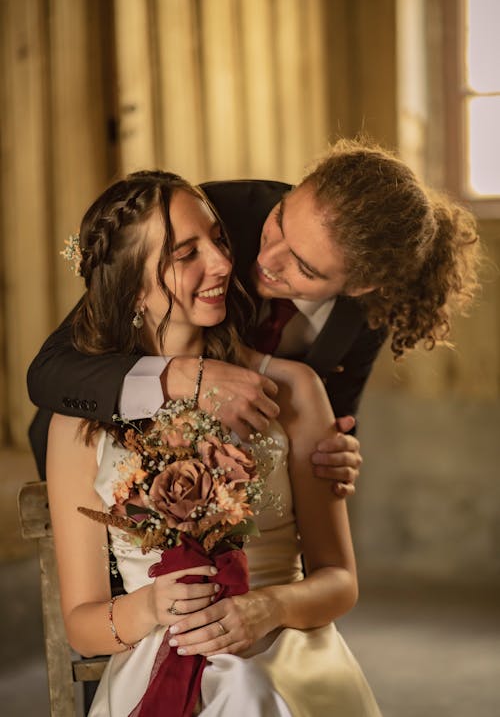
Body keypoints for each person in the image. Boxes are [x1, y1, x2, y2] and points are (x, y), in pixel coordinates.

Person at [46, 170, 382, 715]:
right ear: (132, 285)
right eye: (186, 254)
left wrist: (267, 608)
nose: (226, 264)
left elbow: (339, 581)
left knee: (249, 690)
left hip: (283, 646)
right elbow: (83, 626)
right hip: (159, 644)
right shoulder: (77, 426)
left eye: (220, 241)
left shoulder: (295, 389)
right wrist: (151, 608)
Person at [28, 138, 480, 492]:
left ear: (360, 286)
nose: (267, 258)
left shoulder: (368, 312)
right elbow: (52, 370)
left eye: (302, 266)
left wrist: (337, 453)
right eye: (279, 220)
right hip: (92, 457)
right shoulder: (213, 218)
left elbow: (336, 415)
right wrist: (181, 377)